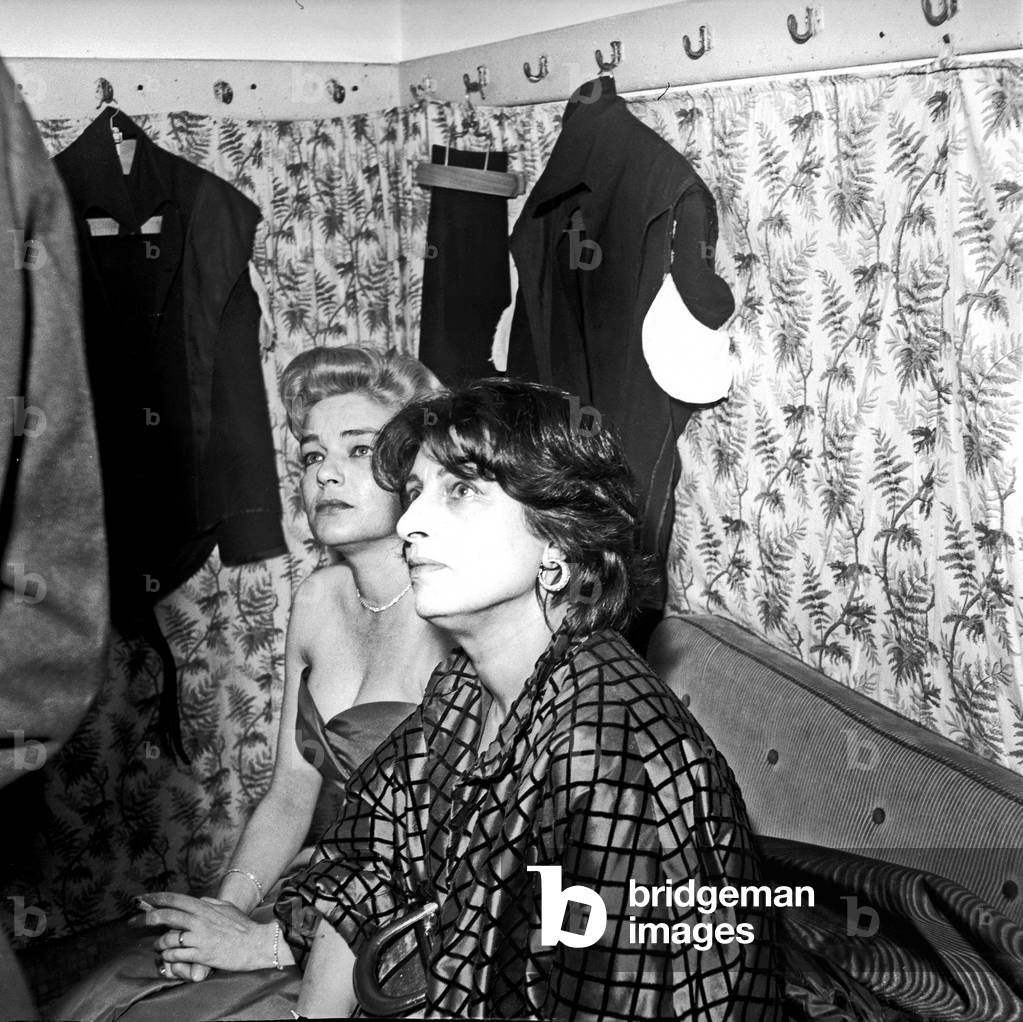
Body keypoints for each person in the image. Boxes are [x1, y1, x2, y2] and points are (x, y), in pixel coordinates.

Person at [249, 379, 785, 1019]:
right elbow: (369, 862)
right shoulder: (464, 688)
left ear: (558, 542)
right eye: (416, 493)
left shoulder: (608, 749)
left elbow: (617, 996)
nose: (410, 521)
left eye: (461, 492)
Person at [52, 345, 450, 1022]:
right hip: (322, 892)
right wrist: (223, 914)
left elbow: (465, 856)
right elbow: (293, 791)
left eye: (357, 451)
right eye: (311, 455)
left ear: (416, 471)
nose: (325, 474)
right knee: (113, 997)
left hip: (419, 925)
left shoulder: (460, 610)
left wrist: (268, 944)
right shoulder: (320, 598)